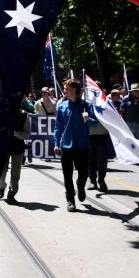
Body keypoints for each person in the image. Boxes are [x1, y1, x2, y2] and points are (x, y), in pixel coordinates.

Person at [54, 79, 96, 212]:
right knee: (67, 175)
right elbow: (58, 126)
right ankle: (70, 200)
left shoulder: (86, 105)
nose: (64, 90)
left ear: (75, 90)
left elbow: (95, 123)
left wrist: (88, 118)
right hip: (66, 146)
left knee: (83, 173)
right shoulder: (62, 106)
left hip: (82, 145)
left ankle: (80, 185)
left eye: (66, 88)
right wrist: (56, 143)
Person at [0, 108, 30, 204]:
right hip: (4, 146)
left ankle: (11, 194)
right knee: (2, 170)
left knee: (15, 172)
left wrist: (17, 134)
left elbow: (27, 133)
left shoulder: (24, 115)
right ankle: (1, 187)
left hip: (18, 147)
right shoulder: (2, 112)